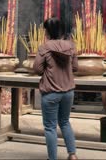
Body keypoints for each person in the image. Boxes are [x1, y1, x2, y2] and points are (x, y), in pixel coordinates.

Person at [33, 18, 78, 160]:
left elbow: (38, 69)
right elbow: (76, 68)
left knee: (50, 127)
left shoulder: (44, 47)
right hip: (68, 92)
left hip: (51, 92)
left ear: (48, 32)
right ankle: (72, 155)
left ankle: (52, 158)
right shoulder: (71, 46)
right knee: (65, 122)